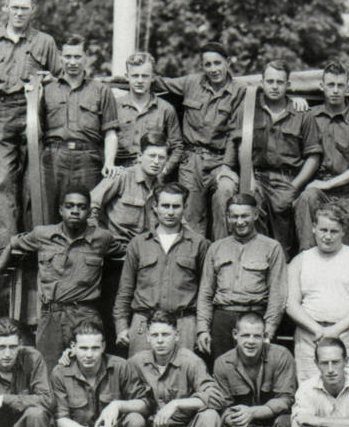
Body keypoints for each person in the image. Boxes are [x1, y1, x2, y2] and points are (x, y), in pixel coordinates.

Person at [0, 188, 122, 370]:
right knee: (48, 372)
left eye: (81, 207)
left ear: (89, 212)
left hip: (85, 315)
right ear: (61, 210)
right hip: (51, 316)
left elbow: (130, 253)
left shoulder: (102, 238)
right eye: (70, 206)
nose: (75, 211)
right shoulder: (42, 235)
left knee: (89, 369)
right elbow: (12, 246)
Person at [0, 0, 63, 253]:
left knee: (36, 183)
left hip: (35, 114)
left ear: (33, 10)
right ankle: (7, 252)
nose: (19, 13)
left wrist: (51, 78)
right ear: (7, 8)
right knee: (1, 183)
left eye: (24, 8)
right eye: (14, 7)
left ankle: (37, 246)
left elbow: (64, 77)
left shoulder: (44, 42)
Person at [224, 59, 322, 255]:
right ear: (262, 82)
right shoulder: (250, 110)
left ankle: (284, 266)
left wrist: (294, 188)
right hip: (257, 176)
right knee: (249, 212)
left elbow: (313, 157)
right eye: (270, 81)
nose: (274, 87)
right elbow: (242, 147)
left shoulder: (302, 114)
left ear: (288, 85)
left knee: (282, 237)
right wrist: (249, 181)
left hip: (287, 180)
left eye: (279, 82)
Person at [48, 319, 150, 427]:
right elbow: (60, 419)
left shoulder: (120, 366)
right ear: (73, 347)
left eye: (95, 348)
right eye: (83, 348)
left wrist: (117, 404)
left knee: (136, 421)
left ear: (103, 346)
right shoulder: (60, 372)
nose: (89, 354)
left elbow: (145, 404)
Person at [156, 42, 243, 240]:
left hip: (220, 161)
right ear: (202, 66)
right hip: (191, 161)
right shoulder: (191, 83)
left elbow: (234, 134)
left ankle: (223, 254)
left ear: (228, 63)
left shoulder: (240, 91)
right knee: (190, 216)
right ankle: (193, 264)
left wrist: (227, 167)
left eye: (217, 63)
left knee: (225, 193)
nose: (213, 69)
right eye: (208, 64)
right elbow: (160, 83)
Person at [113, 183, 210, 356]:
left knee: (181, 379)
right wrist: (121, 326)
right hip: (144, 325)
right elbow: (125, 290)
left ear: (185, 207)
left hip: (184, 324)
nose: (170, 212)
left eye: (176, 206)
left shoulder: (199, 244)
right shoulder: (138, 244)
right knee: (139, 378)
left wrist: (201, 329)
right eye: (165, 206)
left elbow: (206, 292)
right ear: (155, 207)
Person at [287, 205, 349, 382]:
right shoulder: (299, 261)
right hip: (310, 338)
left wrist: (335, 330)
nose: (327, 236)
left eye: (334, 231)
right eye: (323, 230)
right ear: (313, 228)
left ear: (343, 231)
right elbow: (291, 304)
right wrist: (318, 330)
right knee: (311, 394)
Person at [196, 194, 288, 362]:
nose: (239, 222)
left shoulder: (272, 247)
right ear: (228, 217)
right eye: (234, 216)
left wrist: (269, 329)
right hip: (222, 320)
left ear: (255, 215)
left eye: (244, 215)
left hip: (255, 319)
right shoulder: (216, 248)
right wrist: (203, 329)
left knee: (257, 374)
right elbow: (206, 293)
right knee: (222, 370)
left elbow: (278, 294)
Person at [294, 61, 349, 250]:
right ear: (322, 86)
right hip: (317, 188)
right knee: (306, 197)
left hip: (348, 192)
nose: (336, 90)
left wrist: (331, 183)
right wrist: (293, 100)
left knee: (344, 250)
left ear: (348, 87)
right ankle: (306, 259)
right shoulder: (309, 116)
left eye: (340, 85)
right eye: (331, 85)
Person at [40, 34, 120, 216]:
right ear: (61, 57)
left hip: (88, 160)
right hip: (54, 158)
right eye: (68, 57)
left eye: (77, 57)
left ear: (86, 58)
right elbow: (36, 131)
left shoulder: (101, 91)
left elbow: (111, 133)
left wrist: (109, 161)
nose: (72, 62)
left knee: (87, 212)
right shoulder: (47, 90)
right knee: (51, 213)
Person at [90, 133, 167, 250]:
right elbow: (90, 205)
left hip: (144, 252)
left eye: (161, 157)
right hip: (115, 251)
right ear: (140, 156)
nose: (156, 162)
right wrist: (99, 238)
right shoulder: (121, 176)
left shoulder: (162, 190)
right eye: (152, 156)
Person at [115, 51, 183, 172]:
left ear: (152, 77)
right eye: (135, 75)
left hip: (153, 171)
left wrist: (165, 169)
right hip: (122, 170)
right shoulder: (115, 106)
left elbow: (177, 146)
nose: (140, 80)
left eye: (145, 76)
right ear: (127, 77)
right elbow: (103, 141)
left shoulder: (165, 109)